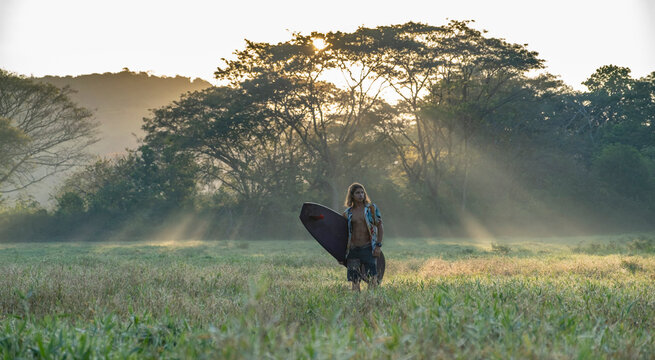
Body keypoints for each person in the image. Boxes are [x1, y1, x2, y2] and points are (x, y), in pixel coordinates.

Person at [341, 183, 383, 291]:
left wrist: (378, 246)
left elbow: (380, 226)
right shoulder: (347, 213)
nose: (361, 195)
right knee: (355, 282)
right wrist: (340, 255)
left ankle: (372, 303)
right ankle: (357, 304)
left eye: (362, 192)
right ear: (352, 195)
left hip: (368, 248)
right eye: (357, 193)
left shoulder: (371, 209)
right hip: (353, 250)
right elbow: (342, 234)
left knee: (372, 280)